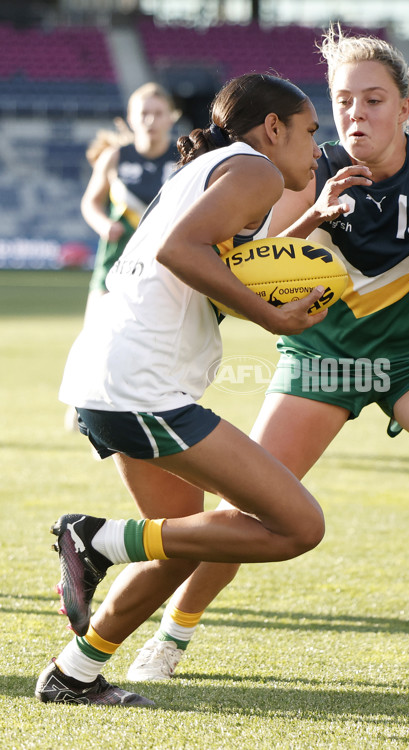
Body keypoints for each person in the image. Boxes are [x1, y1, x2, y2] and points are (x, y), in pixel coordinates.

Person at [121, 26, 409, 691]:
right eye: (344, 101)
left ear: (405, 107)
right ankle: (172, 633)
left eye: (374, 100)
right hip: (323, 357)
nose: (356, 114)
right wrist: (314, 219)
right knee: (253, 506)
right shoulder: (308, 170)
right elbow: (257, 264)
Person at [35, 72, 328, 707]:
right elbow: (180, 251)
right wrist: (276, 318)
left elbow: (217, 265)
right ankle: (97, 539)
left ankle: (72, 676)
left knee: (181, 542)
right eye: (310, 131)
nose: (318, 147)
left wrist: (308, 223)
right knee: (299, 525)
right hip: (144, 386)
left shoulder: (222, 168)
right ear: (272, 128)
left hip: (111, 376)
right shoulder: (257, 171)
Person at [80, 82, 181, 323]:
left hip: (166, 263)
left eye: (158, 114)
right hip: (115, 259)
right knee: (95, 336)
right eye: (143, 114)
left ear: (171, 118)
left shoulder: (184, 158)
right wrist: (104, 224)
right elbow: (90, 203)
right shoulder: (114, 157)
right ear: (130, 119)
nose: (150, 120)